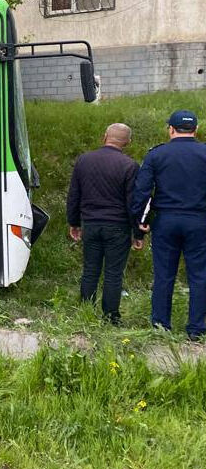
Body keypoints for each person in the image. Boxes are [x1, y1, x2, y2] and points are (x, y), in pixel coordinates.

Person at [130, 110, 206, 340]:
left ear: (170, 129)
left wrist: (139, 225)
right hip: (199, 221)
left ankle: (161, 325)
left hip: (166, 221)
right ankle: (196, 329)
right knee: (200, 275)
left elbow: (142, 193)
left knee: (164, 274)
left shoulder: (156, 155)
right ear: (196, 129)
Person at [67, 123, 144, 324]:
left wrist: (74, 222)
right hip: (118, 227)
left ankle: (86, 313)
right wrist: (138, 233)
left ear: (104, 137)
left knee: (90, 270)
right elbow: (132, 204)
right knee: (113, 273)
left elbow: (74, 194)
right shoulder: (130, 165)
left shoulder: (84, 160)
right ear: (128, 142)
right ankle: (111, 317)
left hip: (91, 225)